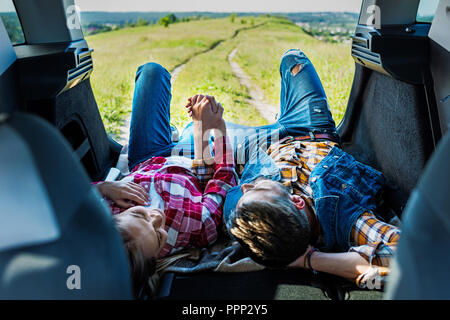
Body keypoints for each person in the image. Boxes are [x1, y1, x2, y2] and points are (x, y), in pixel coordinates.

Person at [223, 49, 401, 289]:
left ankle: (273, 120)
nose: (245, 185)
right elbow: (411, 256)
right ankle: (283, 117)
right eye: (256, 189)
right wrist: (310, 259)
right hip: (312, 130)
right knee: (295, 59)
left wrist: (210, 128)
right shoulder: (346, 217)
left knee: (194, 136)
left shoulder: (242, 220)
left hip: (261, 145)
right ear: (296, 201)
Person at [94, 63, 237, 295]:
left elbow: (69, 193)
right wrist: (212, 128)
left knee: (152, 72)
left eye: (139, 214)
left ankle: (175, 130)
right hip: (194, 161)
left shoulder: (100, 209)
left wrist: (103, 187)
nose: (156, 216)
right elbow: (222, 180)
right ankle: (188, 129)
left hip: (146, 157)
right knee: (195, 125)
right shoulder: (195, 226)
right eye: (159, 236)